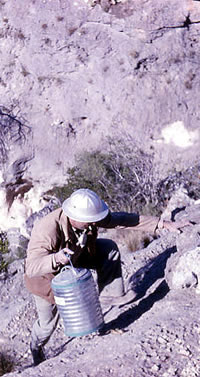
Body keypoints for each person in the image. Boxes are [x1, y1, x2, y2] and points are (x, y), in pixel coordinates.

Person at [24, 188, 185, 366]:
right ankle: (36, 348)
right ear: (74, 216)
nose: (95, 223)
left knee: (108, 248)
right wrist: (56, 258)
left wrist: (161, 224)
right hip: (46, 277)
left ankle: (109, 297)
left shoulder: (88, 218)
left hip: (75, 259)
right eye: (89, 221)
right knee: (48, 324)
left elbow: (122, 220)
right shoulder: (48, 228)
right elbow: (31, 267)